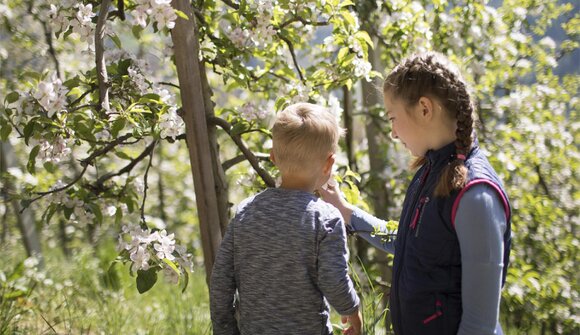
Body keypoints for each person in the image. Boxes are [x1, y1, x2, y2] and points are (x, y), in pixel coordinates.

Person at [319, 52, 512, 335]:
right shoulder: (431, 170)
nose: (394, 133)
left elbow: (479, 325)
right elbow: (410, 245)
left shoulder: (476, 195)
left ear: (424, 108)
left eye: (393, 118)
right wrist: (346, 212)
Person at [210, 102, 362, 335]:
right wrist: (352, 311)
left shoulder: (245, 213)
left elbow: (221, 280)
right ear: (329, 163)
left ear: (273, 157)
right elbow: (334, 279)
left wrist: (226, 329)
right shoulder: (326, 219)